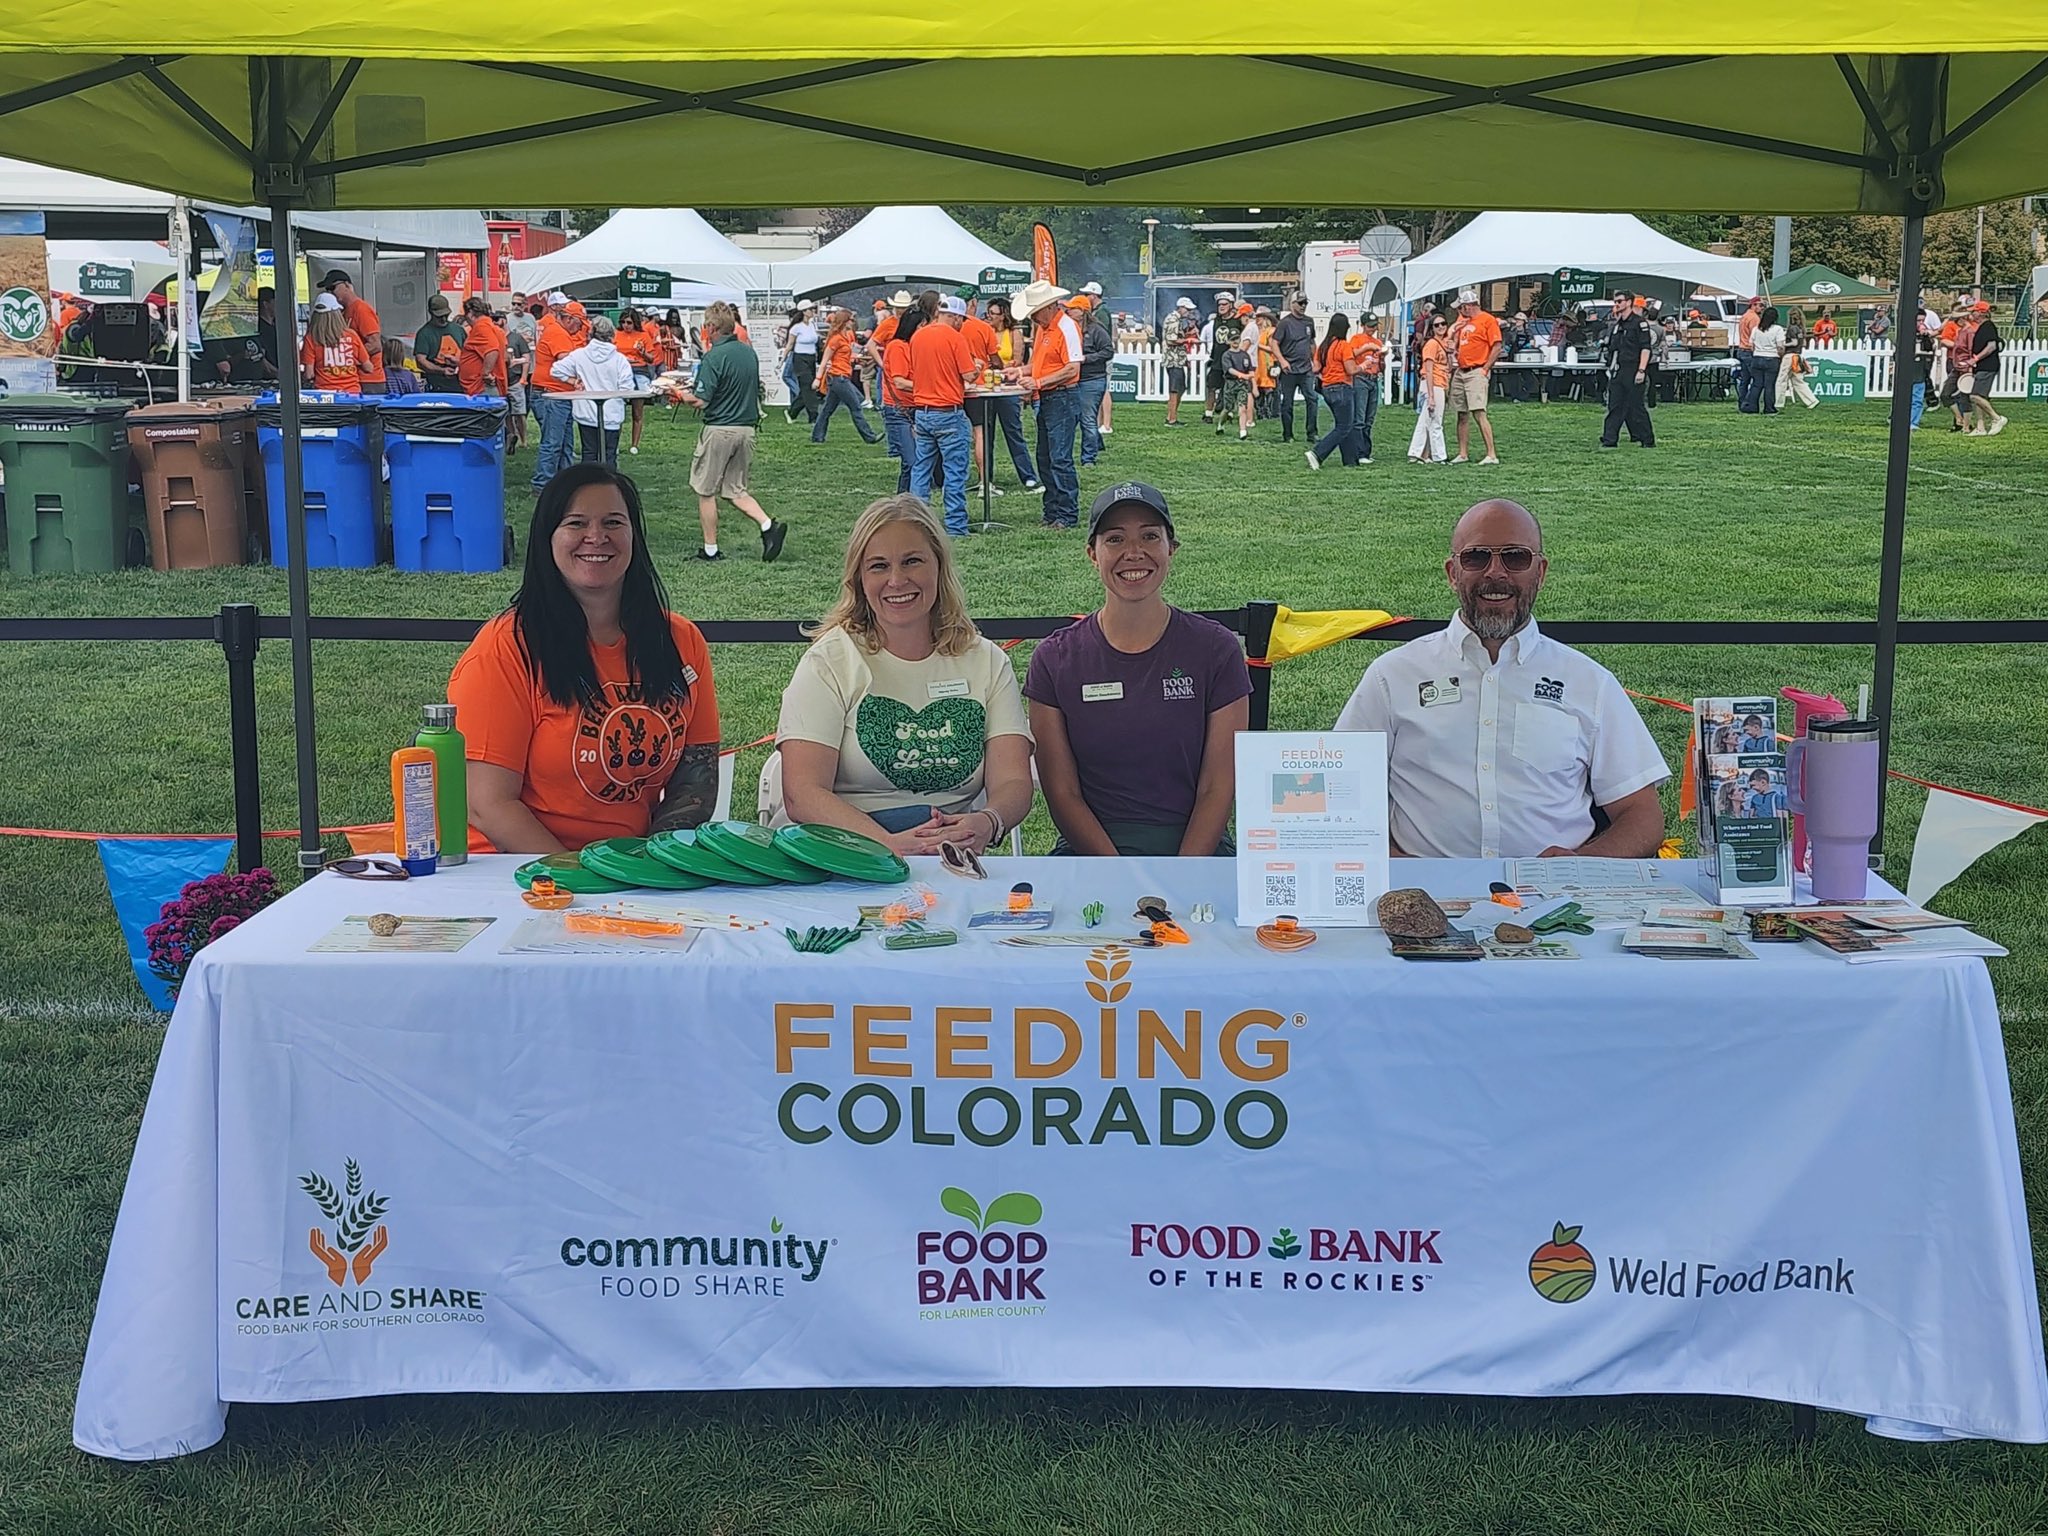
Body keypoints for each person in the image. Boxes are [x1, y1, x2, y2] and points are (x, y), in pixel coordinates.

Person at [1333, 498, 1669, 858]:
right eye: (1476, 557)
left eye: (1516, 558)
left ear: (1540, 572)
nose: (1496, 573)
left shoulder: (1589, 681)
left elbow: (1641, 814)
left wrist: (1581, 865)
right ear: (1452, 572)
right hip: (1425, 893)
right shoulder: (1393, 676)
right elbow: (1340, 791)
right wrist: (1392, 864)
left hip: (1551, 901)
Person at [448, 463, 720, 854]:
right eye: (575, 524)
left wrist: (656, 868)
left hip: (623, 870)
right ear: (547, 538)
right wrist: (584, 878)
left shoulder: (681, 641)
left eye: (613, 522)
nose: (596, 537)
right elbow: (488, 806)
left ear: (634, 536)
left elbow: (695, 782)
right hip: (510, 870)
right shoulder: (506, 646)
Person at [775, 495, 1034, 856]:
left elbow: (1014, 781)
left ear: (939, 567)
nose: (897, 580)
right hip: (843, 856)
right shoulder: (830, 661)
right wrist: (891, 845)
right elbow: (801, 794)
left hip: (948, 858)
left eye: (912, 561)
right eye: (878, 566)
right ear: (859, 578)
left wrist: (988, 821)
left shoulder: (986, 661)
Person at [1024, 482, 1250, 856]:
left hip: (1198, 852)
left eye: (1149, 536)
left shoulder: (1216, 649)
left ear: (1170, 549)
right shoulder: (1054, 658)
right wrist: (1121, 876)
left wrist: (1182, 876)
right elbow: (1063, 795)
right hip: (1091, 855)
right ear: (1092, 554)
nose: (1134, 552)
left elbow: (1218, 787)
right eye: (1114, 539)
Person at [676, 301, 786, 563]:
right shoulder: (748, 353)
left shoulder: (714, 356)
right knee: (735, 489)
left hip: (720, 429)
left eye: (705, 326)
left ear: (712, 328)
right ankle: (768, 526)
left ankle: (710, 549)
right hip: (746, 429)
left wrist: (678, 394)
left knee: (706, 490)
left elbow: (701, 400)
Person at [909, 294, 979, 537]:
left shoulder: (918, 336)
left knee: (921, 469)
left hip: (923, 412)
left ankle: (916, 522)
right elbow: (969, 375)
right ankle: (956, 526)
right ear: (956, 317)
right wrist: (977, 367)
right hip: (949, 411)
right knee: (955, 471)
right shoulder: (955, 338)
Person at [1016, 280, 1084, 529]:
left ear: (1048, 307)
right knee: (1046, 456)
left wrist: (1038, 381)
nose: (1033, 318)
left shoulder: (1067, 327)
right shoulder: (1045, 328)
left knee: (1059, 457)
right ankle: (1054, 510)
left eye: (1035, 312)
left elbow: (1072, 368)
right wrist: (1019, 371)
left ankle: (1066, 514)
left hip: (1062, 396)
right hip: (1050, 396)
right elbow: (1041, 365)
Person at [549, 315, 636, 466]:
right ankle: (609, 487)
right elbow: (627, 388)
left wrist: (573, 381)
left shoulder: (579, 355)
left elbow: (556, 370)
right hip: (612, 414)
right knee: (609, 455)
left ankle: (587, 487)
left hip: (586, 412)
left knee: (588, 454)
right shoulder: (619, 359)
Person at [976, 296, 1040, 492]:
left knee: (1013, 431)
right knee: (985, 434)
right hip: (986, 386)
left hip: (1007, 387)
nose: (989, 317)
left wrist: (1005, 367)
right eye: (988, 313)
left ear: (1003, 315)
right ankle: (986, 479)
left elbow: (1017, 360)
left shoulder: (1014, 334)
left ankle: (1028, 476)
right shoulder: (984, 331)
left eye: (993, 314)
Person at [529, 292, 581, 490]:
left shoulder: (554, 329)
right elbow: (566, 362)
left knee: (564, 442)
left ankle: (564, 481)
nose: (580, 329)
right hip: (552, 393)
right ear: (568, 319)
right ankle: (543, 483)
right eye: (578, 323)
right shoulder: (557, 333)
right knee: (553, 442)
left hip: (558, 393)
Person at [1446, 289, 1503, 464]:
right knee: (1461, 414)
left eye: (1461, 308)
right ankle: (1463, 453)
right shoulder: (1464, 322)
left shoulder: (1487, 320)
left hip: (1477, 370)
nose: (1459, 312)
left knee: (1479, 412)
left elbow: (1497, 346)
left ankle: (1491, 454)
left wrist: (1485, 368)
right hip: (1462, 370)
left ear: (1468, 306)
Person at [812, 309, 881, 445]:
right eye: (851, 320)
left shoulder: (845, 337)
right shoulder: (836, 339)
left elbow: (844, 357)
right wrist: (818, 379)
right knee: (855, 407)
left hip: (840, 377)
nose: (853, 322)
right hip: (839, 378)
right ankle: (869, 436)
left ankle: (817, 436)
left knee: (827, 409)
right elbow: (825, 360)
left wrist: (855, 359)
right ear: (845, 321)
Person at [316, 268, 387, 394]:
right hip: (354, 379)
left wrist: (347, 358)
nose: (330, 293)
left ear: (347, 285)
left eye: (332, 288)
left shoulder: (361, 309)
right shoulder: (343, 311)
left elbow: (376, 345)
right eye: (327, 290)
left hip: (369, 379)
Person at [1599, 291, 1655, 449]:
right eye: (1615, 302)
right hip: (1619, 369)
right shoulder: (1617, 325)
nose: (1616, 304)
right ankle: (1609, 439)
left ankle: (1647, 439)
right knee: (1614, 405)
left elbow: (1645, 348)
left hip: (1634, 368)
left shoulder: (1639, 323)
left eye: (1619, 301)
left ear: (1629, 302)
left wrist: (1641, 370)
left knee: (1636, 407)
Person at [879, 300, 922, 494]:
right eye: (922, 326)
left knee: (915, 462)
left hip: (912, 407)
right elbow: (899, 381)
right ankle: (903, 501)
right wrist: (927, 388)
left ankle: (906, 501)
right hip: (899, 409)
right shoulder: (898, 347)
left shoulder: (912, 346)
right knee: (911, 462)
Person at [1306, 312, 1359, 469]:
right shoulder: (1344, 345)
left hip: (1327, 388)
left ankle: (1350, 460)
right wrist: (1363, 366)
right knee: (1344, 426)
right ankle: (1317, 453)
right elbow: (1350, 370)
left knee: (1345, 424)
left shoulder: (1323, 346)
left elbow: (1316, 368)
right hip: (1342, 387)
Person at [1273, 291, 1321, 443]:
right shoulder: (1285, 323)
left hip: (1306, 368)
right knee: (1287, 402)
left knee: (1312, 398)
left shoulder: (1309, 322)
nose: (1303, 306)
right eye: (1300, 303)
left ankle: (1312, 432)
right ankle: (1288, 434)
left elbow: (1312, 342)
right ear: (1292, 304)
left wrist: (1315, 360)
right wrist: (1282, 360)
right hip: (1290, 369)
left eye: (1305, 303)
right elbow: (1274, 343)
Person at [299, 292, 372, 392]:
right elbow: (368, 368)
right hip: (352, 393)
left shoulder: (311, 338)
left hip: (325, 395)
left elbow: (309, 374)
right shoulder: (352, 335)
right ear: (337, 313)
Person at [1073, 296, 1115, 467]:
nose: (1068, 312)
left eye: (1072, 309)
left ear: (1082, 312)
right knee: (1080, 417)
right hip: (1075, 379)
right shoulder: (1071, 329)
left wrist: (1087, 358)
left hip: (1093, 379)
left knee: (1088, 418)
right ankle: (1096, 443)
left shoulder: (1096, 330)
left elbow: (1108, 351)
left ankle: (1088, 458)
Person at [613, 308, 662, 454]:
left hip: (639, 370)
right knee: (617, 409)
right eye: (623, 322)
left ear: (635, 322)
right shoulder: (616, 334)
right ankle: (614, 444)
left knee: (637, 410)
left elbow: (651, 358)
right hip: (621, 370)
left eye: (629, 322)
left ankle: (634, 444)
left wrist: (642, 353)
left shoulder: (643, 335)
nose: (626, 325)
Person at [1957, 299, 2008, 436]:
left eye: (1974, 311)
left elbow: (1992, 346)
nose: (1971, 313)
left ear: (1981, 313)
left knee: (1975, 396)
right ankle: (1980, 427)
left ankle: (1997, 418)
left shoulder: (1988, 326)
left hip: (1988, 366)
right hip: (1981, 366)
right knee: (1981, 396)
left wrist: (1975, 359)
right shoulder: (1982, 327)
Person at [1406, 312, 1450, 463]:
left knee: (1426, 420)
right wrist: (1431, 395)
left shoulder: (1442, 343)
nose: (1441, 327)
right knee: (1435, 421)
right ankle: (1438, 455)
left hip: (1437, 383)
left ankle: (1418, 453)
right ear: (1431, 328)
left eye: (1443, 323)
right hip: (1433, 384)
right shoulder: (1431, 344)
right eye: (1437, 325)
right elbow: (1429, 369)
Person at [1350, 312, 1387, 464]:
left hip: (1373, 378)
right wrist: (1366, 348)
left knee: (1369, 418)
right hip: (1361, 378)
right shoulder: (1356, 339)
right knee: (1359, 417)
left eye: (1374, 326)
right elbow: (1351, 355)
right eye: (1369, 326)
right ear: (1363, 326)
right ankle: (1359, 452)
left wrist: (1383, 359)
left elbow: (1381, 366)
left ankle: (1365, 451)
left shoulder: (1378, 342)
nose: (1372, 329)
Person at [1202, 289, 1243, 423]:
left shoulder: (1238, 321)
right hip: (1217, 359)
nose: (1221, 306)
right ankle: (1208, 413)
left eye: (1224, 304)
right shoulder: (1216, 320)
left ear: (1231, 305)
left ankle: (1229, 413)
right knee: (1211, 387)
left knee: (1231, 388)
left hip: (1232, 360)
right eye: (1219, 304)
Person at [456, 295, 505, 402]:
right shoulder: (493, 328)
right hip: (485, 389)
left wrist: (486, 373)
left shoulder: (481, 327)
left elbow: (492, 350)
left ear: (470, 314)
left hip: (482, 390)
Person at [413, 294, 466, 391]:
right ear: (431, 313)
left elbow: (468, 354)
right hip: (437, 385)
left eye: (446, 315)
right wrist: (441, 370)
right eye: (439, 316)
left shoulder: (458, 329)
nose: (444, 319)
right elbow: (420, 361)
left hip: (462, 384)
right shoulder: (424, 333)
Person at [784, 302, 822, 424]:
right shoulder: (796, 328)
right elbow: (790, 345)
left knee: (806, 389)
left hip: (811, 358)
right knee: (808, 387)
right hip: (800, 359)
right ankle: (813, 415)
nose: (813, 311)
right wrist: (782, 359)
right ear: (804, 311)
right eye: (811, 309)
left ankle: (792, 412)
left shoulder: (812, 325)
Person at [1162, 296, 1198, 426]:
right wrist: (1189, 340)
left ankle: (1171, 416)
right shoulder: (1173, 320)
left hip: (1178, 359)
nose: (1189, 312)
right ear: (1181, 308)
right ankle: (1172, 418)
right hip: (1173, 359)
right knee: (1175, 390)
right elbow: (1171, 340)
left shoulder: (1177, 320)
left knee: (1180, 388)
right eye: (1187, 310)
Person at [1218, 319, 1255, 440]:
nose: (1235, 341)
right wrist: (1241, 375)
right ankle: (1221, 424)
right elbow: (1229, 370)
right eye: (1232, 339)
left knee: (1242, 407)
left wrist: (1250, 376)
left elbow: (1250, 369)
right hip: (1230, 383)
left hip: (1242, 385)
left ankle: (1243, 431)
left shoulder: (1244, 355)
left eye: (1237, 339)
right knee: (1227, 408)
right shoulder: (1227, 355)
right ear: (1228, 341)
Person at [1749, 305, 1787, 416]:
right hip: (1771, 358)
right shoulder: (1778, 329)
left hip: (1757, 358)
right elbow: (1780, 346)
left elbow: (1751, 345)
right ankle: (1769, 408)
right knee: (1769, 385)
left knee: (1756, 384)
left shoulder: (1756, 329)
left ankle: (1752, 407)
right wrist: (1780, 355)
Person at [1735, 295, 1765, 413]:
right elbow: (1755, 336)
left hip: (1741, 349)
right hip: (1749, 350)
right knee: (1757, 380)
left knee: (1744, 380)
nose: (1762, 308)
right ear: (1754, 305)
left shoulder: (1744, 316)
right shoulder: (1754, 318)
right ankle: (1749, 403)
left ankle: (1742, 403)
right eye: (1760, 305)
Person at [1777, 343, 1819, 409]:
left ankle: (1778, 403)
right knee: (1798, 381)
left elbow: (1794, 342)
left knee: (1781, 380)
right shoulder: (1801, 332)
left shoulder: (1789, 332)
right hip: (1797, 355)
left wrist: (1783, 345)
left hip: (1789, 355)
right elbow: (1804, 343)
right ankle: (1811, 400)